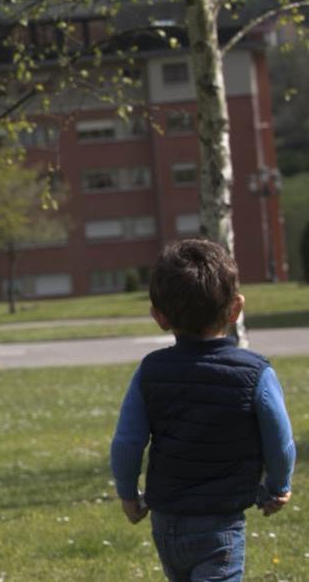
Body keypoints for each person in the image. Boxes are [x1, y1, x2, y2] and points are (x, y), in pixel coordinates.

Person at [110, 239, 295, 582]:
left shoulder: (150, 371)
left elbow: (127, 441)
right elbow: (279, 439)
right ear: (235, 309)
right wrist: (278, 485)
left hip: (166, 522)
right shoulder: (255, 372)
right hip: (220, 523)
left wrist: (128, 495)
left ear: (159, 316)